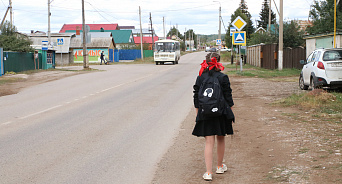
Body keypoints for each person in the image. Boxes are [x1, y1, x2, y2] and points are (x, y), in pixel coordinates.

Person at [192, 52, 235, 181]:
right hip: (221, 113)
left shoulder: (201, 78)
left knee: (209, 142)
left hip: (205, 113)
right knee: (221, 138)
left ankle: (209, 173)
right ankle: (219, 166)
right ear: (218, 62)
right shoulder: (223, 77)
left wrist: (198, 112)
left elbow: (196, 97)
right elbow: (228, 97)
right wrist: (230, 114)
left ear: (206, 62)